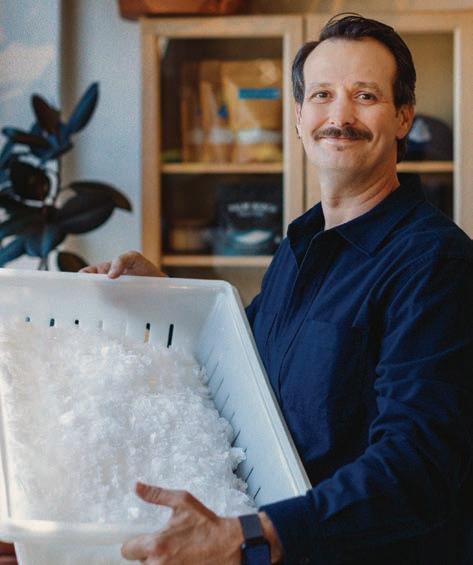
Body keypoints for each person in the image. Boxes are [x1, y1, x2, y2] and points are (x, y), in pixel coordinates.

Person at [81, 14, 473, 565]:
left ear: (403, 116)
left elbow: (418, 467)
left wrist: (251, 535)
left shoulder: (435, 264)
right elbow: (246, 356)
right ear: (298, 115)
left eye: (365, 96)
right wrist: (168, 295)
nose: (339, 117)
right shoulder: (299, 246)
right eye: (322, 95)